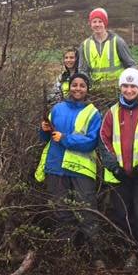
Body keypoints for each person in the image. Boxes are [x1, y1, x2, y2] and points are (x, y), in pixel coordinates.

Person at [98, 68, 138, 267]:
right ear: (120, 87)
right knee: (122, 216)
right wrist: (114, 168)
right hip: (119, 176)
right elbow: (103, 141)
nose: (128, 90)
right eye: (125, 86)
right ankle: (130, 254)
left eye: (133, 86)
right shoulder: (111, 112)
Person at [35, 72, 102, 246]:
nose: (78, 88)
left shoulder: (93, 113)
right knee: (60, 212)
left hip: (81, 170)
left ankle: (93, 251)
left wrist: (65, 139)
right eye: (74, 85)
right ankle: (66, 251)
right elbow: (46, 138)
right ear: (69, 87)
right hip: (56, 166)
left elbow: (92, 142)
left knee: (86, 211)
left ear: (87, 89)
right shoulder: (57, 109)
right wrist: (44, 129)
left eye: (82, 85)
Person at [77, 8, 136, 86]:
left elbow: (131, 65)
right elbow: (82, 70)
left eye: (100, 21)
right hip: (95, 89)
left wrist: (129, 84)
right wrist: (88, 85)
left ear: (105, 23)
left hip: (117, 87)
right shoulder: (85, 45)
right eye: (94, 22)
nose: (97, 25)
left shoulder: (117, 41)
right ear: (90, 24)